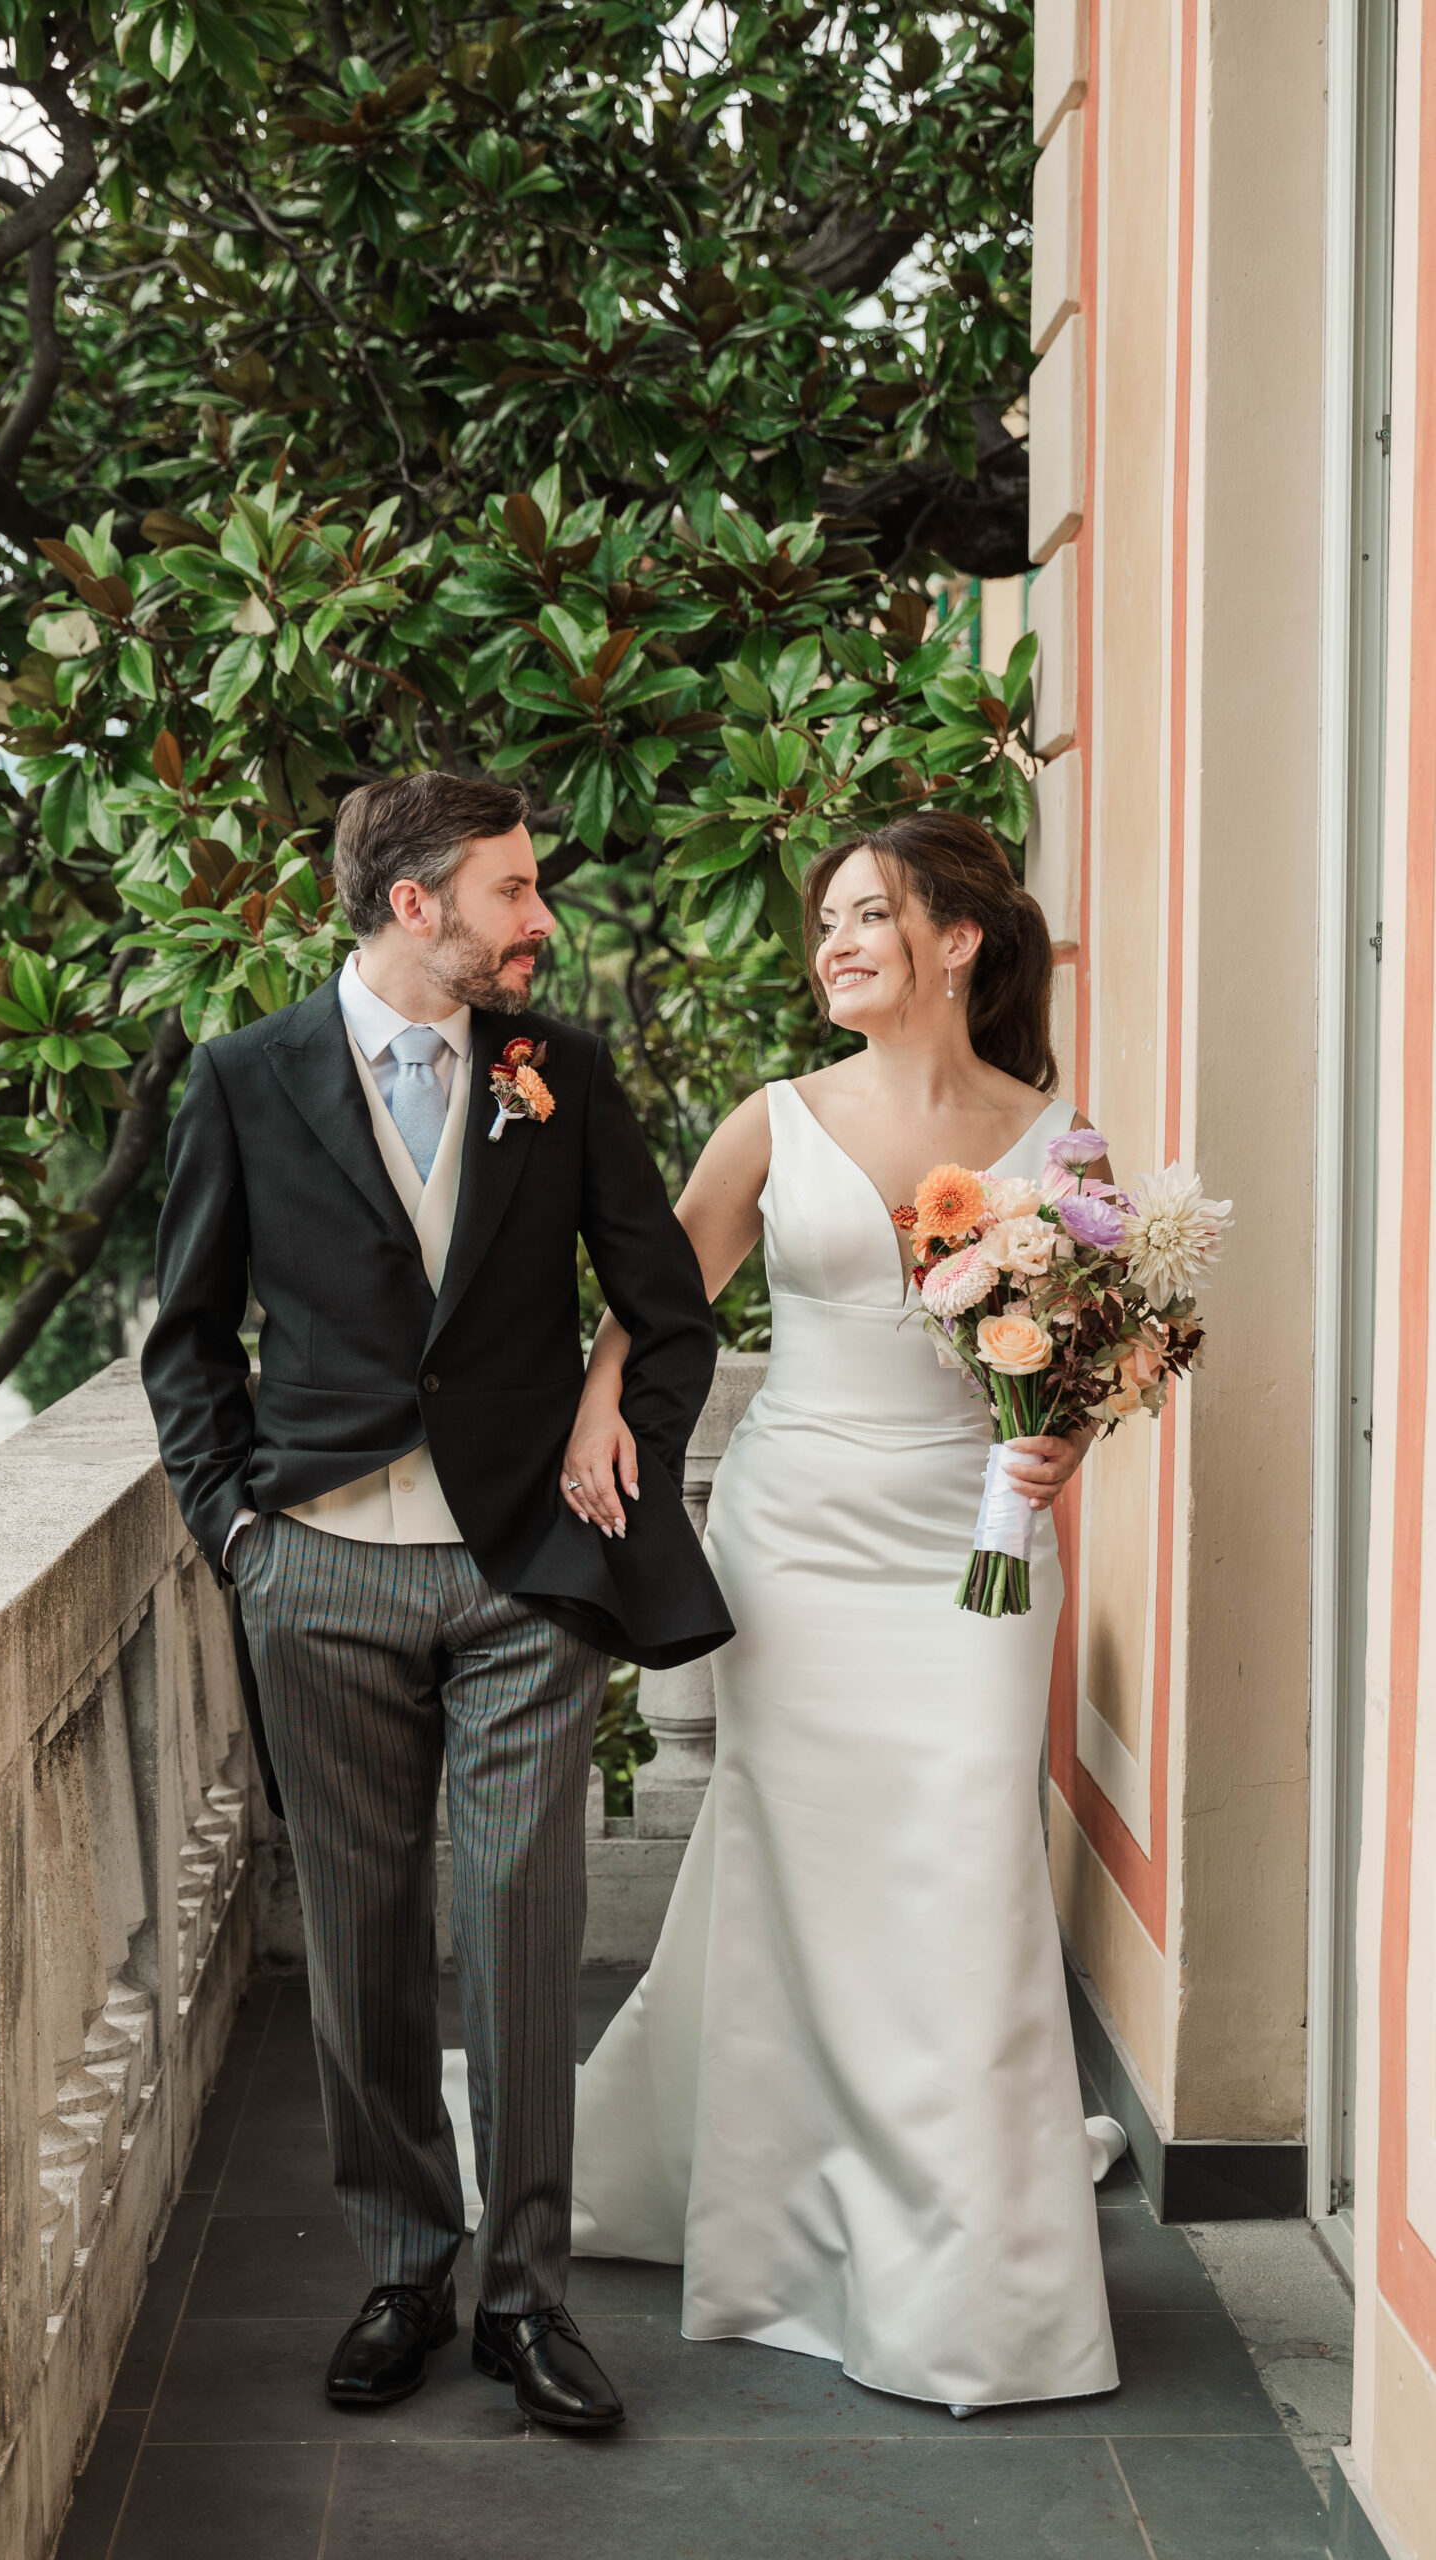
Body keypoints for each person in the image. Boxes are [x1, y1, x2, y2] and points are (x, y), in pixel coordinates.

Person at [141, 770, 730, 2435]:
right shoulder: (248, 1077)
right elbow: (185, 1343)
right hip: (313, 1567)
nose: (542, 919)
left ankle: (528, 2302)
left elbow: (663, 1307)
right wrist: (241, 1538)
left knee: (525, 1935)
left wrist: (620, 1421)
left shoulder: (564, 1071)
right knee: (361, 1940)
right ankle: (407, 2263)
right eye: (514, 890)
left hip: (522, 1571)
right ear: (418, 904)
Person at [560, 812, 1124, 2416]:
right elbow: (660, 1302)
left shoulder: (1059, 1142)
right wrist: (605, 1413)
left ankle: (974, 2285)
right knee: (796, 1863)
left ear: (964, 940)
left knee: (966, 1860)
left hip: (975, 1542)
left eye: (870, 914)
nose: (836, 944)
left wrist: (1064, 1435)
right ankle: (787, 2219)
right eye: (826, 924)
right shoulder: (773, 1121)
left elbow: (1089, 1356)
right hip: (798, 1535)